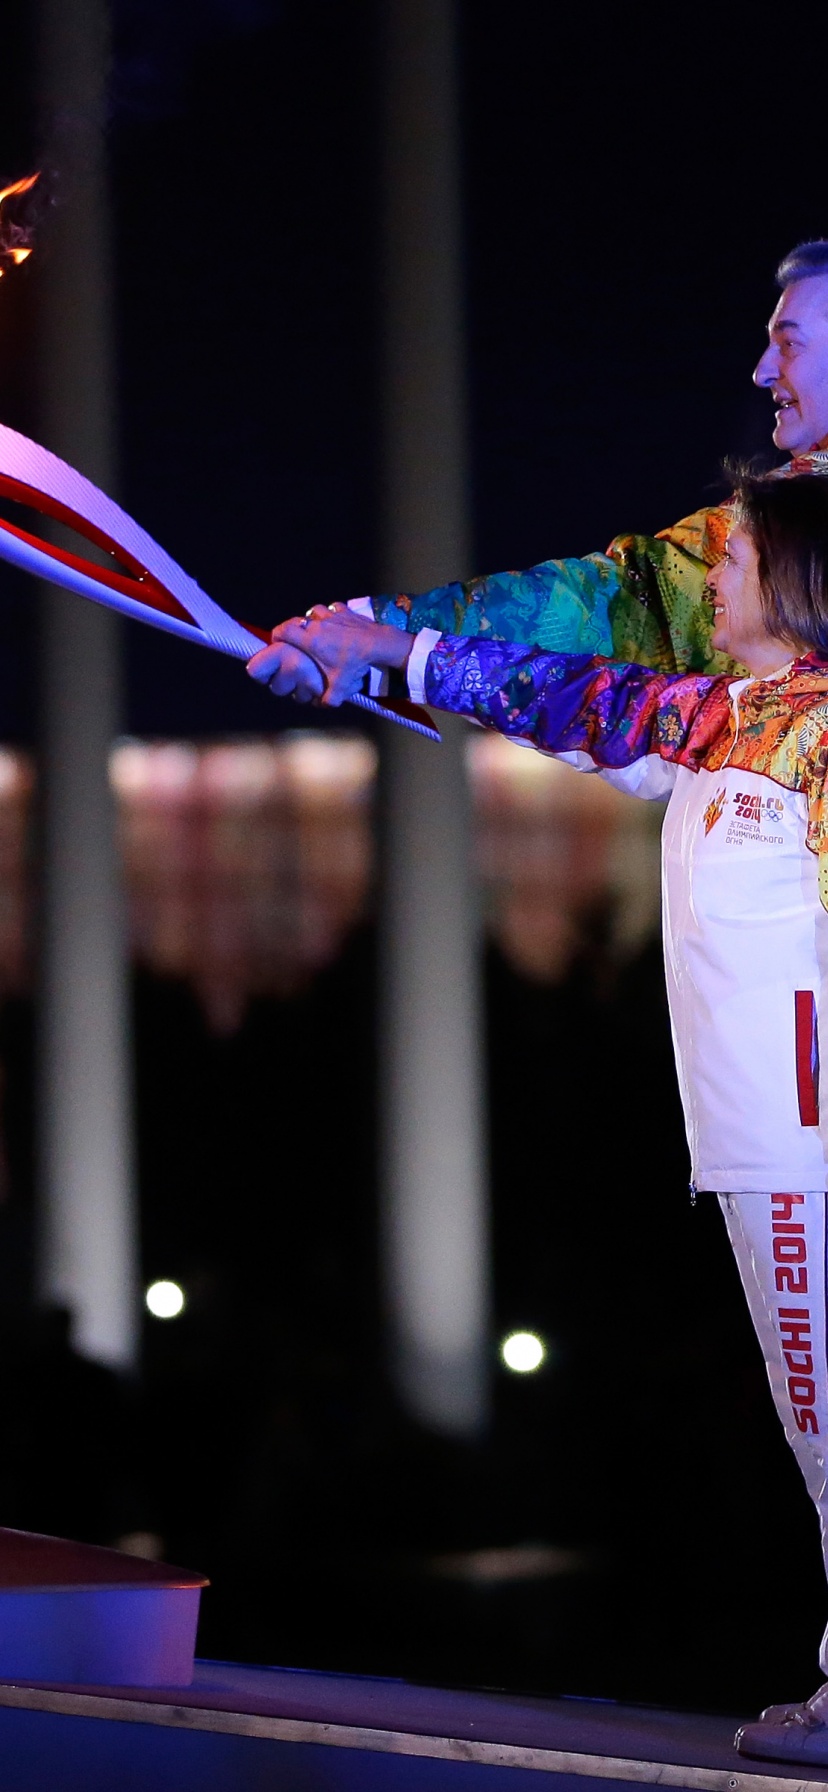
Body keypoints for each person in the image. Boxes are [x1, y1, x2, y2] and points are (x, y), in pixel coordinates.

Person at [250, 469, 828, 1762]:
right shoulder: (721, 716)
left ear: (797, 580)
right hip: (759, 1143)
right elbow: (555, 691)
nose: (711, 580)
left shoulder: (820, 733)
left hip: (810, 1141)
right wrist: (377, 652)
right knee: (816, 1420)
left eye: (734, 561)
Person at [255, 238, 828, 716]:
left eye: (789, 345)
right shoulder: (789, 519)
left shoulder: (794, 534)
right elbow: (623, 624)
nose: (762, 371)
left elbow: (617, 617)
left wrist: (382, 642)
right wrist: (378, 641)